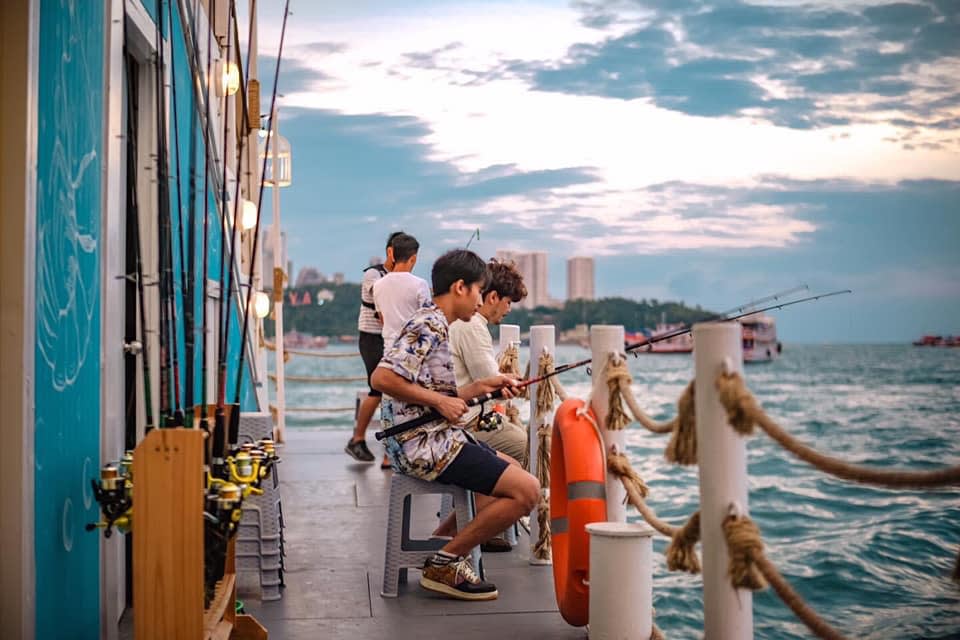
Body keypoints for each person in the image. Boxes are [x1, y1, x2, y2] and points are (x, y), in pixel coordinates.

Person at [371, 249, 539, 601]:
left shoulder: (436, 323)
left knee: (511, 466)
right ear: (460, 287)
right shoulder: (429, 325)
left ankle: (444, 543)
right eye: (478, 290)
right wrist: (440, 402)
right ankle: (444, 562)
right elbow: (382, 378)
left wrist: (482, 386)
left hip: (432, 437)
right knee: (528, 492)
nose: (480, 300)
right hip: (422, 445)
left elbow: (433, 391)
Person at [449, 258, 529, 468]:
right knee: (528, 446)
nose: (508, 309)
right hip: (468, 422)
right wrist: (513, 384)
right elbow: (490, 382)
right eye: (508, 302)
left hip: (466, 416)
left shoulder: (462, 322)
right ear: (493, 297)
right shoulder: (472, 326)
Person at [345, 232, 402, 463]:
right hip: (372, 338)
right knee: (379, 389)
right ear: (391, 252)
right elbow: (382, 301)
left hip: (390, 339)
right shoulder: (373, 274)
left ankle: (377, 446)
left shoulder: (398, 278)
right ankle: (360, 440)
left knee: (385, 391)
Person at [372, 233, 430, 349]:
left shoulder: (377, 285)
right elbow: (428, 320)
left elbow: (382, 319)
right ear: (413, 258)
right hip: (413, 349)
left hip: (389, 349)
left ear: (393, 256)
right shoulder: (420, 284)